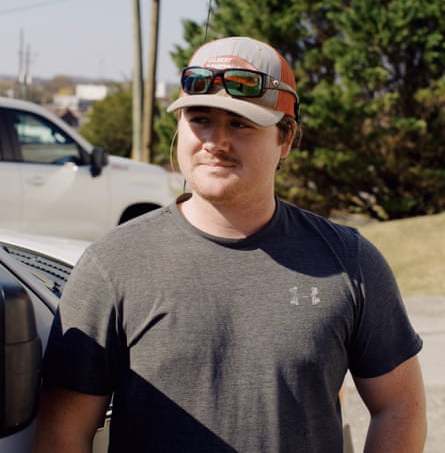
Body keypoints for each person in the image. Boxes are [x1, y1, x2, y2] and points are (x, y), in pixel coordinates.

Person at [33, 36, 427, 453]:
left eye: (240, 123)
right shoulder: (111, 266)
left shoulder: (348, 261)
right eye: (200, 119)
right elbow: (64, 432)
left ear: (286, 139)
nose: (215, 142)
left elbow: (399, 406)